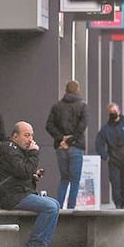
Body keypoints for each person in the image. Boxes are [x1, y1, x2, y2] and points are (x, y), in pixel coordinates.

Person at [0, 121, 60, 247]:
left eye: (31, 135)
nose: (30, 139)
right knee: (50, 207)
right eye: (26, 135)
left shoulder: (18, 150)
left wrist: (33, 176)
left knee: (55, 204)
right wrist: (34, 154)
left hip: (19, 192)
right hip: (10, 196)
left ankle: (42, 245)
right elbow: (23, 171)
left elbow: (21, 173)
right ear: (15, 136)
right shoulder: (8, 149)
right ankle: (33, 246)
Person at [45, 80, 87, 209]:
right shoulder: (82, 106)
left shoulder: (57, 106)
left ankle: (58, 208)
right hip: (76, 146)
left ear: (66, 90)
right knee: (75, 181)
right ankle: (71, 208)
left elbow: (49, 126)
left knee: (64, 179)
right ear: (77, 89)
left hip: (60, 147)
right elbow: (82, 126)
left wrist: (61, 139)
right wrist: (70, 140)